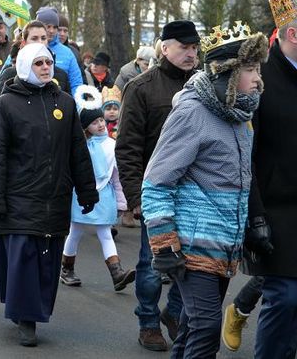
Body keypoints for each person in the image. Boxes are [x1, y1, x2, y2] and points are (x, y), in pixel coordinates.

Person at [142, 24, 267, 357]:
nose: (258, 79)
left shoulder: (241, 116)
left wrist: (254, 224)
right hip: (191, 244)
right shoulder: (191, 112)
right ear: (226, 73)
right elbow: (156, 183)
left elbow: (244, 177)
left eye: (258, 69)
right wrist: (164, 244)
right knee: (206, 326)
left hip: (225, 244)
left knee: (192, 328)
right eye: (250, 70)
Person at [0, 43, 98, 347]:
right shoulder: (5, 105)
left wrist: (87, 190)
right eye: (38, 63)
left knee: (47, 260)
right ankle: (26, 318)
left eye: (49, 62)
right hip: (18, 195)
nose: (46, 67)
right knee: (24, 256)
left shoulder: (65, 103)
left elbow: (77, 150)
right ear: (23, 66)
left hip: (55, 196)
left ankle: (32, 310)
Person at [115, 20, 200, 351]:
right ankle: (148, 321)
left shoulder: (203, 85)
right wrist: (136, 197)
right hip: (156, 191)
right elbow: (128, 146)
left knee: (192, 263)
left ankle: (174, 312)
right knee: (153, 265)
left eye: (195, 48)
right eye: (184, 47)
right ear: (165, 48)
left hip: (194, 192)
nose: (191, 53)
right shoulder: (142, 87)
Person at [239, 0, 297, 358]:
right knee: (285, 297)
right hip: (276, 211)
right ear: (292, 35)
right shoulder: (259, 81)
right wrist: (255, 215)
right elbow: (244, 154)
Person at [60, 85, 134, 291]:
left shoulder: (112, 145)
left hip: (104, 196)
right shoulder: (80, 146)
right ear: (85, 127)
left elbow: (117, 176)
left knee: (105, 234)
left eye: (101, 120)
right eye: (94, 122)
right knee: (75, 232)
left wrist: (122, 201)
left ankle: (116, 272)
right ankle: (67, 269)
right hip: (80, 195)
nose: (100, 124)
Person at [0, 21, 70, 98]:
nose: (40, 42)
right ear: (24, 42)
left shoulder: (61, 75)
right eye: (34, 38)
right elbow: (1, 106)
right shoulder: (10, 73)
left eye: (43, 38)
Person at [35, 6, 83, 95]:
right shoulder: (26, 49)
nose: (52, 31)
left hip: (60, 105)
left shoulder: (67, 53)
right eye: (48, 26)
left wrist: (78, 105)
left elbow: (76, 83)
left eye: (55, 27)